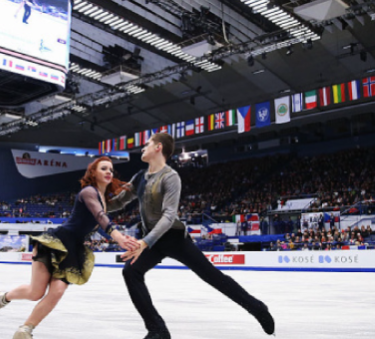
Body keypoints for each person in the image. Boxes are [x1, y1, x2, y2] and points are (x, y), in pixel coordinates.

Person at [108, 133, 275, 339]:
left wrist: (145, 242)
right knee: (131, 272)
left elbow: (169, 216)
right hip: (151, 240)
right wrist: (94, 201)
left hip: (173, 238)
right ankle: (157, 330)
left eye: (147, 144)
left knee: (213, 277)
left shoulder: (170, 177)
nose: (142, 148)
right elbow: (119, 202)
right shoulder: (139, 177)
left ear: (158, 147)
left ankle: (257, 307)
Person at [0, 156, 138, 339]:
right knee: (35, 293)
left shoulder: (103, 198)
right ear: (93, 173)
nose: (109, 172)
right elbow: (100, 215)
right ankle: (3, 297)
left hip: (73, 249)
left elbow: (110, 209)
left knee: (58, 291)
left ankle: (25, 330)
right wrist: (116, 235)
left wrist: (141, 187)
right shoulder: (88, 192)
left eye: (111, 169)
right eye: (104, 168)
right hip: (56, 242)